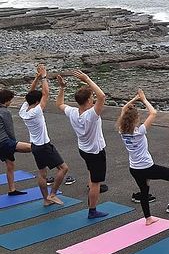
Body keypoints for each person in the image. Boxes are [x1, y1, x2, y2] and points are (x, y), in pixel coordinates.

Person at [118, 89, 169, 226]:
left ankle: (148, 218)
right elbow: (153, 113)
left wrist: (135, 99)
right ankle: (148, 217)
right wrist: (143, 99)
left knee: (144, 191)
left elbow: (123, 109)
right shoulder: (139, 132)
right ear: (135, 120)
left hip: (134, 168)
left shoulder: (121, 131)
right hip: (147, 167)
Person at [56, 71, 110, 218]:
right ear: (87, 101)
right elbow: (102, 96)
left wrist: (62, 87)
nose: (93, 99)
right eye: (91, 98)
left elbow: (59, 104)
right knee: (96, 183)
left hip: (84, 149)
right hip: (95, 152)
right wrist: (86, 79)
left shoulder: (73, 112)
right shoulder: (91, 115)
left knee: (91, 172)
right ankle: (92, 210)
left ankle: (90, 185)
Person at [18, 64, 69, 206]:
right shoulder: (36, 112)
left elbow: (30, 92)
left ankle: (46, 199)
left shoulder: (24, 110)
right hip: (44, 146)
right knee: (64, 168)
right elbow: (46, 94)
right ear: (36, 102)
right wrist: (44, 76)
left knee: (42, 174)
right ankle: (52, 194)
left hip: (35, 146)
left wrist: (37, 78)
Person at [0, 89, 31, 196]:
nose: (11, 102)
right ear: (7, 100)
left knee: (10, 164)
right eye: (11, 100)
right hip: (4, 142)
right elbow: (9, 130)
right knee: (33, 148)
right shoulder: (5, 112)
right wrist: (14, 145)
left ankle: (11, 190)